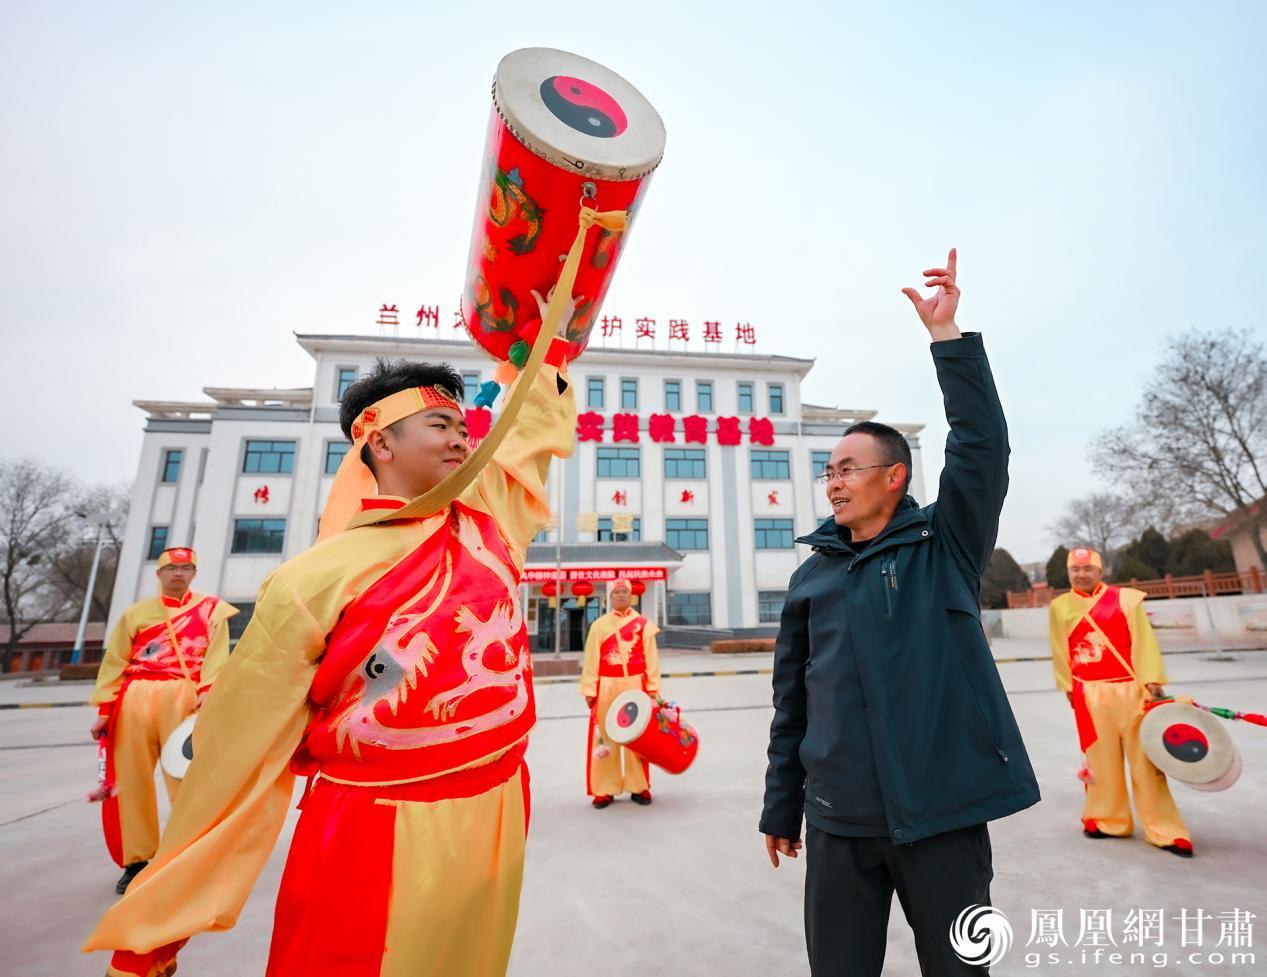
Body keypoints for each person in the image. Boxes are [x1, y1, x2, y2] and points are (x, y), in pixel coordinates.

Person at [84, 349, 576, 977]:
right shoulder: (311, 578)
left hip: (502, 793)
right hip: (375, 824)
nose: (460, 438)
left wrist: (546, 344)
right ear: (380, 443)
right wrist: (159, 926)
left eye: (461, 426)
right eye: (440, 426)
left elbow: (526, 438)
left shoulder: (489, 525)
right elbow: (240, 753)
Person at [760, 250, 1040, 977]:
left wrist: (947, 340)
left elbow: (983, 450)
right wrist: (780, 804)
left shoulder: (942, 547)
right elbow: (792, 701)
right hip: (836, 824)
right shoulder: (809, 579)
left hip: (940, 818)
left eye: (848, 468)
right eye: (828, 471)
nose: (833, 482)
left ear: (895, 476)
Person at [88, 547, 237, 894]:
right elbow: (114, 662)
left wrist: (207, 695)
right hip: (135, 696)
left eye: (186, 568)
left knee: (187, 778)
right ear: (159, 574)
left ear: (194, 573)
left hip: (184, 698)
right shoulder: (136, 614)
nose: (179, 574)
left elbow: (218, 658)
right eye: (172, 568)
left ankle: (190, 855)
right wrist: (105, 710)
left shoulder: (212, 609)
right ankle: (137, 861)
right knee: (131, 780)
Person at [1049, 545, 1192, 856]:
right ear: (1069, 573)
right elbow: (1060, 650)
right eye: (1076, 569)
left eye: (1088, 569)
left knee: (1147, 761)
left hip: (1131, 689)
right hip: (1088, 692)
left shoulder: (1127, 599)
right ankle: (1106, 818)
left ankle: (1165, 830)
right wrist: (1068, 688)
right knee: (1100, 761)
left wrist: (1152, 681)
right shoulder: (1060, 606)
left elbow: (1145, 641)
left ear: (1100, 571)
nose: (1081, 574)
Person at [580, 578, 661, 807]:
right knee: (604, 735)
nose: (621, 595)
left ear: (631, 595)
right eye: (617, 592)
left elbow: (652, 659)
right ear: (611, 597)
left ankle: (639, 786)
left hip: (636, 684)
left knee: (638, 737)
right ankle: (605, 789)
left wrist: (653, 688)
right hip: (606, 684)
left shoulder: (643, 624)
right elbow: (591, 659)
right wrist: (590, 688)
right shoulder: (599, 625)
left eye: (625, 591)